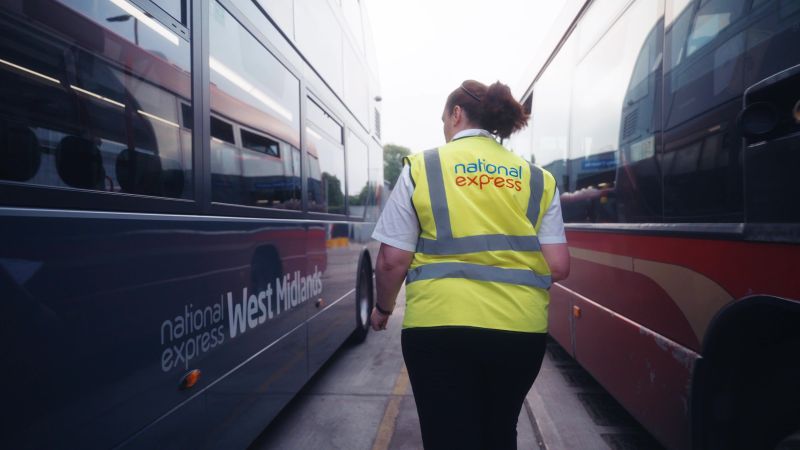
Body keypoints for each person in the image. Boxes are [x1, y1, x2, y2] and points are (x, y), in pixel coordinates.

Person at [369, 79, 570, 450]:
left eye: (444, 119)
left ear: (456, 114)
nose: (444, 127)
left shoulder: (423, 168)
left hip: (438, 328)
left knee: (448, 436)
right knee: (499, 433)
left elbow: (391, 260)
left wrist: (383, 308)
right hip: (520, 330)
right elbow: (558, 265)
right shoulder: (539, 179)